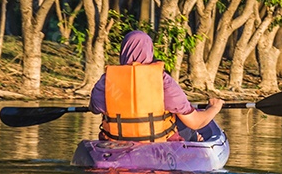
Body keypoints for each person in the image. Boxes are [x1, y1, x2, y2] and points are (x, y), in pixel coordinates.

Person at [89, 30, 223, 142]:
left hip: (116, 143)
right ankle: (195, 140)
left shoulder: (106, 80)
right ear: (150, 51)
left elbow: (94, 108)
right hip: (159, 144)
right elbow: (196, 122)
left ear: (123, 51)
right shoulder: (163, 80)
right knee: (181, 119)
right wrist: (214, 108)